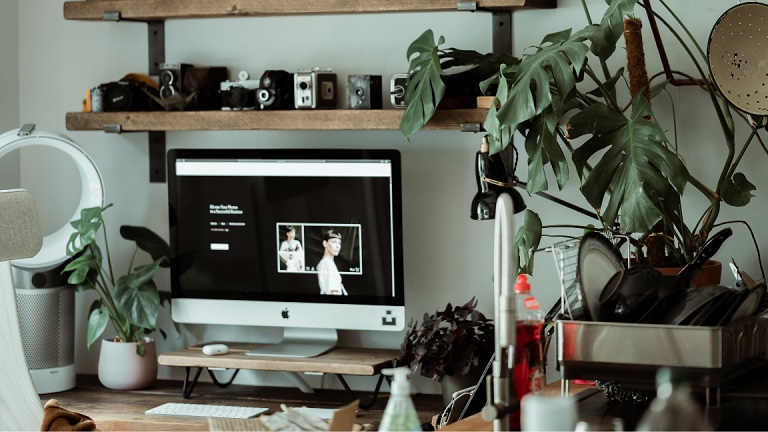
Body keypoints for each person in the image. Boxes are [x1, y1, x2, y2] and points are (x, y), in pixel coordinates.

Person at [317, 229, 348, 295]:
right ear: (325, 243)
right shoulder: (327, 264)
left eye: (339, 243)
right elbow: (333, 292)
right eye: (334, 242)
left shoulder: (328, 263)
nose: (337, 246)